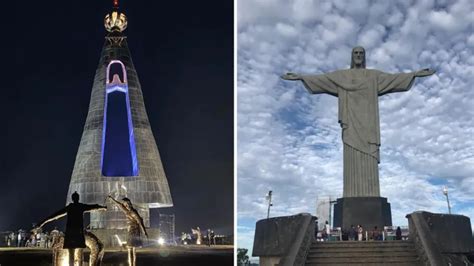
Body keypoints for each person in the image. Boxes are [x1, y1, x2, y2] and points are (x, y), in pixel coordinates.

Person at [33, 191, 106, 266]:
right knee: (79, 253)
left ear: (72, 199)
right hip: (77, 233)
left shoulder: (70, 208)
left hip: (71, 234)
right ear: (78, 198)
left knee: (72, 254)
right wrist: (102, 207)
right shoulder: (80, 207)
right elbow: (93, 207)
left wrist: (42, 223)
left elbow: (54, 216)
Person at [108, 195, 148, 266]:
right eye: (125, 204)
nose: (126, 205)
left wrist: (144, 231)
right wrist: (112, 199)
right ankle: (131, 264)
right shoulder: (126, 210)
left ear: (129, 204)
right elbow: (119, 205)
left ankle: (133, 264)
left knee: (133, 250)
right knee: (130, 250)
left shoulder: (133, 212)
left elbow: (140, 221)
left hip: (134, 232)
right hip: (130, 231)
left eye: (127, 204)